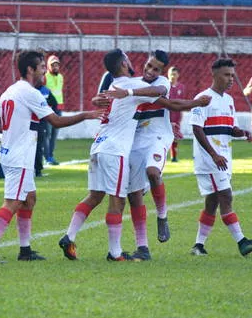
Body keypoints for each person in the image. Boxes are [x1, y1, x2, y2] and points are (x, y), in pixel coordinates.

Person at [57, 49, 210, 261]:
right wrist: (198, 103)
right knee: (118, 200)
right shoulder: (133, 85)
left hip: (98, 145)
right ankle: (115, 253)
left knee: (95, 196)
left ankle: (69, 236)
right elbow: (168, 101)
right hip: (115, 150)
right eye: (128, 60)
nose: (137, 64)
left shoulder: (115, 85)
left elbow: (107, 99)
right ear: (123, 65)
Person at [0, 51, 101, 263]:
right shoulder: (31, 93)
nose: (45, 70)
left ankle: (25, 251)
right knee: (13, 202)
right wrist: (86, 115)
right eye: (42, 67)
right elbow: (55, 121)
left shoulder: (10, 90)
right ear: (30, 69)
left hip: (12, 153)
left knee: (29, 199)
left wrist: (13, 132)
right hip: (20, 156)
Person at [125, 51, 210, 260]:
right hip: (135, 140)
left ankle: (162, 216)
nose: (151, 71)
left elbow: (166, 97)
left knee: (153, 172)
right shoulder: (132, 82)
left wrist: (197, 103)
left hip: (158, 136)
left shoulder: (161, 82)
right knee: (134, 195)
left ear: (162, 72)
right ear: (144, 63)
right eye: (149, 66)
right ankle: (142, 247)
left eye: (156, 69)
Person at [190, 58, 252, 257]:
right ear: (214, 75)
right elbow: (197, 128)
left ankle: (198, 245)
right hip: (210, 159)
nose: (230, 79)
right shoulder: (203, 98)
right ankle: (242, 242)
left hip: (224, 157)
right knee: (226, 196)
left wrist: (240, 132)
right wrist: (213, 154)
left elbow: (227, 128)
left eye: (232, 75)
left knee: (212, 202)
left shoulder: (229, 100)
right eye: (226, 75)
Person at [43, 55, 64, 165]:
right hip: (49, 109)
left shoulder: (60, 77)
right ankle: (47, 157)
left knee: (54, 134)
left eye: (57, 65)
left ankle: (50, 155)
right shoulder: (45, 77)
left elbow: (59, 92)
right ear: (48, 66)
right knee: (48, 133)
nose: (55, 67)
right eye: (53, 65)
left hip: (59, 108)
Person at [34, 84, 57, 177]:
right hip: (39, 122)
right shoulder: (34, 91)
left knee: (39, 145)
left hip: (39, 122)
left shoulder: (45, 90)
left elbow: (54, 102)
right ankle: (38, 170)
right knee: (39, 145)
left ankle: (38, 169)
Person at [168, 66, 186, 162]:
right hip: (167, 115)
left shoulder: (181, 87)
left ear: (178, 75)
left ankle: (174, 156)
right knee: (167, 136)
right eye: (171, 74)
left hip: (177, 115)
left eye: (174, 74)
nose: (172, 76)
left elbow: (182, 102)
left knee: (175, 137)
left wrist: (180, 115)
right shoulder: (165, 86)